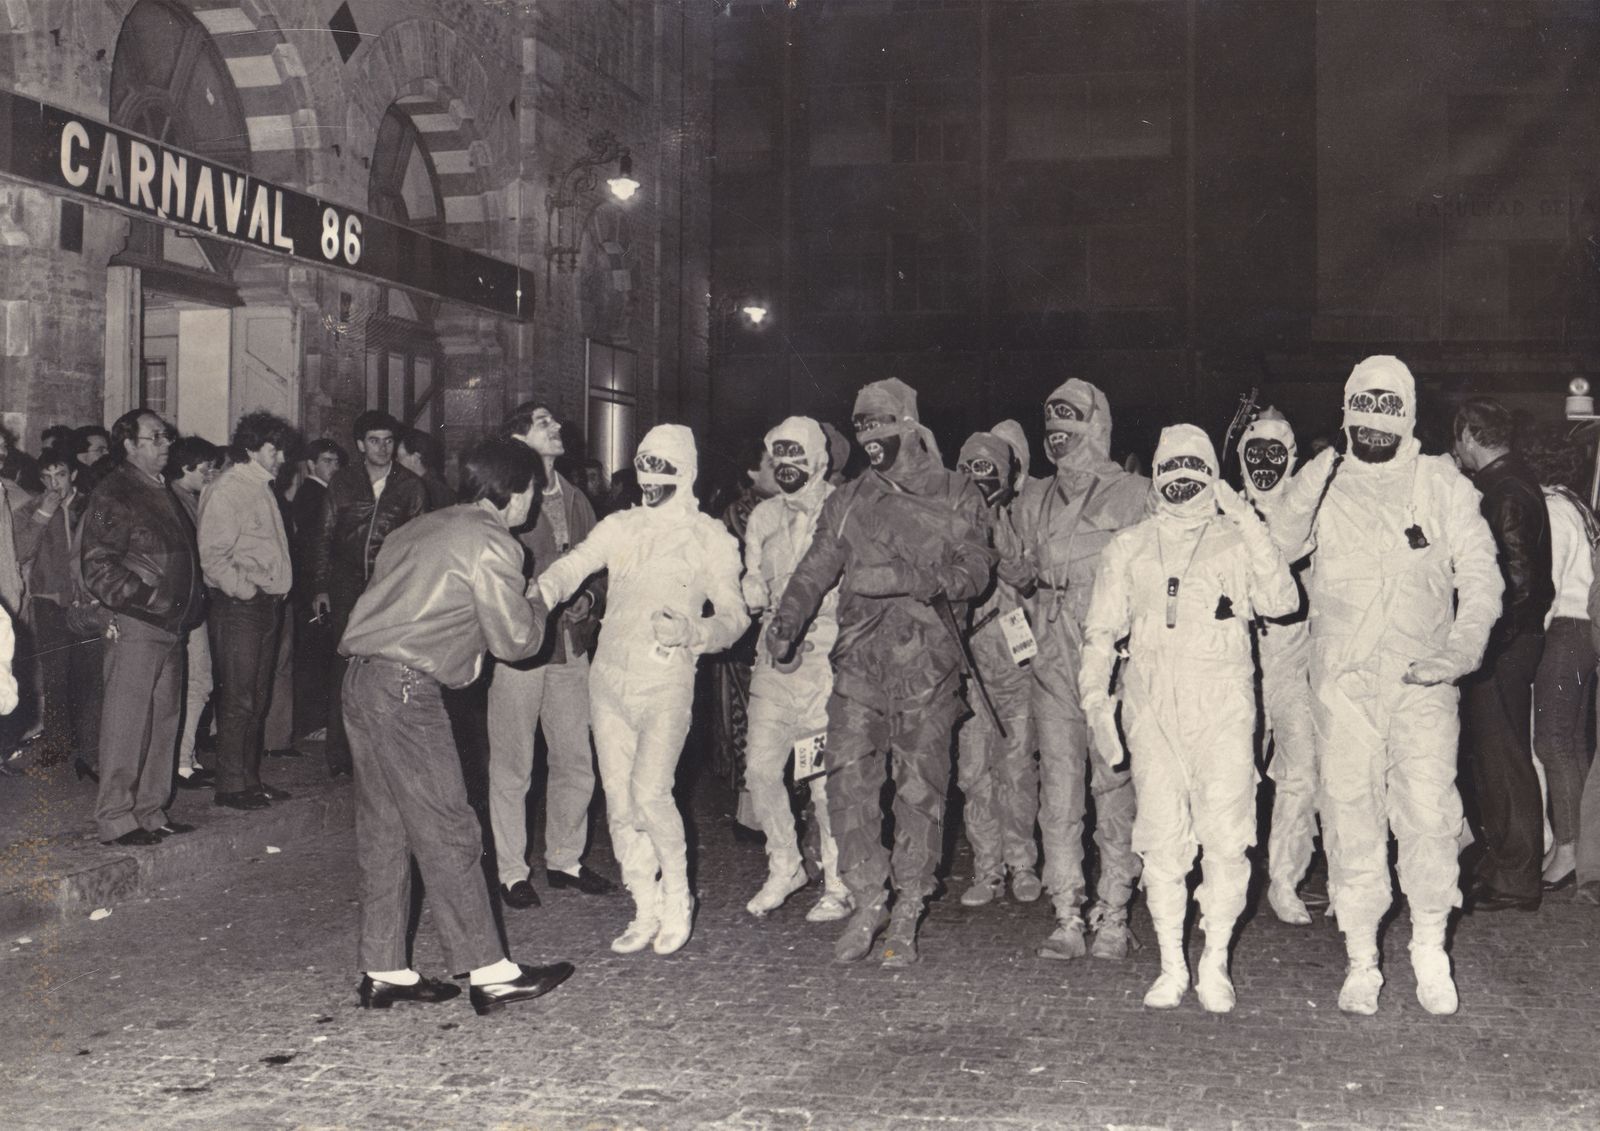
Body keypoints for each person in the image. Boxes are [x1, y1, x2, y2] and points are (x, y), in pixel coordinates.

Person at [1265, 355, 1501, 1016]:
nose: (1372, 429)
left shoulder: (1441, 483)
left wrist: (1458, 651)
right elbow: (1279, 544)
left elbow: (1481, 577)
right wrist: (1319, 467)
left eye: (1385, 412)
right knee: (1350, 814)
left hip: (1421, 683)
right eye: (1359, 414)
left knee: (1427, 813)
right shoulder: (1328, 481)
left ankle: (1430, 948)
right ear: (1346, 414)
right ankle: (1362, 956)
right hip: (1343, 686)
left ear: (1408, 413)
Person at [340, 438, 574, 1014]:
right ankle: (491, 973)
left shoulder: (416, 528)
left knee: (386, 832)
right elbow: (516, 642)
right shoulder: (493, 539)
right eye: (533, 492)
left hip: (359, 682)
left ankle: (385, 969)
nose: (535, 504)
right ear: (514, 493)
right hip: (405, 689)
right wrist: (542, 598)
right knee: (450, 828)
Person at [770, 379, 994, 966]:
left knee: (921, 791)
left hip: (928, 665)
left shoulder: (955, 492)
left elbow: (976, 571)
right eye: (860, 425)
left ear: (909, 424)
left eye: (881, 424)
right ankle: (868, 898)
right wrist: (787, 620)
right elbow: (814, 566)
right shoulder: (847, 502)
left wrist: (915, 580)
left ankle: (908, 908)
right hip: (859, 666)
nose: (871, 436)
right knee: (847, 783)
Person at [1081, 425, 1298, 1011]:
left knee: (1227, 842)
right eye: (1171, 468)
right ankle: (1172, 963)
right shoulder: (1128, 546)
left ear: (1211, 472)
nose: (1182, 480)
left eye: (1194, 468)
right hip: (1153, 712)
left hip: (1224, 709)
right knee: (1160, 843)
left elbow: (1282, 601)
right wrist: (1095, 703)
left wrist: (1247, 520)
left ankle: (1215, 962)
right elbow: (1100, 634)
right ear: (1155, 472)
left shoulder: (1234, 540)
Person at [537, 424, 747, 956]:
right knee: (620, 799)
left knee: (651, 793)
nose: (652, 478)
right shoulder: (621, 526)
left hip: (667, 680)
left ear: (687, 471)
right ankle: (644, 903)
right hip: (608, 681)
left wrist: (695, 633)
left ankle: (678, 898)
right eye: (645, 464)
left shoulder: (710, 538)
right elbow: (576, 563)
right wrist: (541, 591)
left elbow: (735, 617)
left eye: (664, 467)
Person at [1000, 379, 1148, 961]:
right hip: (1050, 655)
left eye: (1072, 424)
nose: (1060, 437)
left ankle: (1114, 910)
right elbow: (1018, 569)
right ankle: (1066, 911)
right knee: (1058, 790)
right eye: (1052, 427)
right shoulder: (1033, 498)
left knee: (1113, 784)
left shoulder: (1134, 493)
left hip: (1109, 657)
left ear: (1097, 425)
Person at [488, 402, 613, 910]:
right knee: (514, 763)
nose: (558, 427)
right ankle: (511, 871)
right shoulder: (504, 496)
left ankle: (565, 859)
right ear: (517, 437)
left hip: (569, 646)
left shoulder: (576, 495)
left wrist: (591, 598)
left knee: (575, 758)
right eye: (544, 423)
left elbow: (601, 560)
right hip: (519, 649)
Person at [740, 416, 852, 923]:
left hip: (826, 663)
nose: (786, 466)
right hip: (773, 663)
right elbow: (751, 577)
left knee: (825, 779)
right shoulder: (762, 517)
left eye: (797, 455)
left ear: (818, 458)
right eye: (778, 456)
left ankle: (838, 879)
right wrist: (748, 591)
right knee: (761, 770)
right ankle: (785, 864)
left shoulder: (843, 509)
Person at [81, 409, 206, 846]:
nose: (166, 443)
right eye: (155, 437)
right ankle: (116, 818)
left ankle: (151, 811)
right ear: (129, 444)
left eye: (166, 435)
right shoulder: (115, 491)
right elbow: (98, 566)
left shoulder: (159, 489)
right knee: (128, 722)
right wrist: (150, 598)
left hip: (171, 625)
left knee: (164, 722)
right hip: (138, 623)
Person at [1452, 398, 1553, 913]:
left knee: (1503, 759)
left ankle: (1516, 878)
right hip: (1515, 642)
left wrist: (1485, 645)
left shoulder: (1505, 493)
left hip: (1505, 645)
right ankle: (1503, 866)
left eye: (1458, 439)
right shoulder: (1513, 483)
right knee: (1496, 759)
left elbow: (1516, 582)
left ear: (1471, 436)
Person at [954, 423, 1043, 908]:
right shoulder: (948, 521)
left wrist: (995, 539)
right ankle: (986, 868)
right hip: (967, 667)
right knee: (973, 771)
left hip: (1013, 662)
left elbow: (1027, 576)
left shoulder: (1019, 518)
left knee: (1016, 767)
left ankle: (1022, 863)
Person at [310, 411, 428, 777]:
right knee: (344, 666)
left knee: (387, 667)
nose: (383, 448)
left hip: (388, 588)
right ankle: (341, 756)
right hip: (345, 587)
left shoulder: (410, 486)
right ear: (361, 445)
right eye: (375, 440)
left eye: (389, 441)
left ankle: (383, 753)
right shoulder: (342, 483)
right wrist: (320, 586)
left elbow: (420, 544)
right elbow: (323, 537)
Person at [1237, 410, 1320, 924]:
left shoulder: (1310, 514)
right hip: (1238, 666)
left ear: (1291, 459)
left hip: (1293, 663)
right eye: (1254, 454)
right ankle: (1227, 881)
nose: (1264, 464)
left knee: (1301, 772)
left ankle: (1284, 878)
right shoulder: (1222, 510)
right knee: (1233, 776)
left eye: (1275, 454)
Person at [198, 411, 297, 810]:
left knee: (257, 696)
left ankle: (250, 779)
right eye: (275, 449)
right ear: (252, 448)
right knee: (238, 698)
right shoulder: (228, 490)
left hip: (265, 605)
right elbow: (213, 558)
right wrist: (246, 590)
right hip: (240, 608)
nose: (282, 457)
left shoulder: (261, 488)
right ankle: (230, 786)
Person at [1522, 431, 1597, 892]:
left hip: (1565, 629)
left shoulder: (1551, 507)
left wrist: (1531, 637)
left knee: (1552, 742)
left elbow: (1546, 582)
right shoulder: (1578, 506)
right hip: (1584, 630)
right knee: (1571, 741)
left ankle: (1568, 849)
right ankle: (1579, 845)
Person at [13, 449, 103, 774]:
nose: (55, 484)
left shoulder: (92, 505)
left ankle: (90, 751)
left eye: (60, 475)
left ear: (73, 475)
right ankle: (58, 743)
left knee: (91, 677)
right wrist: (43, 515)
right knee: (55, 676)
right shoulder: (32, 509)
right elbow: (19, 551)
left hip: (86, 602)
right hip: (49, 602)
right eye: (47, 478)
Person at [166, 437, 220, 787]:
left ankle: (187, 757)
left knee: (198, 682)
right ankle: (181, 762)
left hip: (193, 603)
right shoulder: (174, 500)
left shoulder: (189, 498)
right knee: (197, 681)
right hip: (186, 605)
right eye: (206, 468)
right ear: (186, 467)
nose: (211, 474)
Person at [290, 439, 344, 743]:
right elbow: (314, 549)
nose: (333, 468)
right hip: (312, 590)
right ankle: (313, 723)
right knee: (314, 656)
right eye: (327, 461)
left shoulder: (321, 494)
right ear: (311, 464)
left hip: (312, 588)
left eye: (336, 462)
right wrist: (318, 589)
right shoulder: (314, 496)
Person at [397, 427, 456, 512]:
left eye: (399, 458)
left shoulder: (417, 491)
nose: (397, 463)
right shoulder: (444, 490)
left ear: (415, 458)